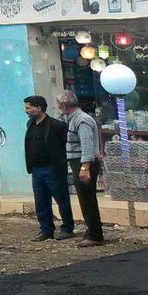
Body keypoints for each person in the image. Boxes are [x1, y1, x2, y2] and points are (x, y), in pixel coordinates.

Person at [23, 95, 75, 241]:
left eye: (28, 108)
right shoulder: (30, 125)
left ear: (38, 108)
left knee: (61, 199)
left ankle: (67, 228)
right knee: (41, 201)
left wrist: (63, 163)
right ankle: (46, 229)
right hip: (36, 170)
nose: (26, 111)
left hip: (53, 168)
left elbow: (66, 145)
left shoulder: (56, 126)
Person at [56, 90, 104, 247]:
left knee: (87, 199)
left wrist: (85, 167)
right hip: (80, 161)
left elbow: (87, 145)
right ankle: (90, 231)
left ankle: (95, 234)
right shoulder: (73, 119)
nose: (58, 108)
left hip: (84, 162)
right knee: (85, 199)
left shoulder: (81, 120)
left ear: (63, 105)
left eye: (58, 105)